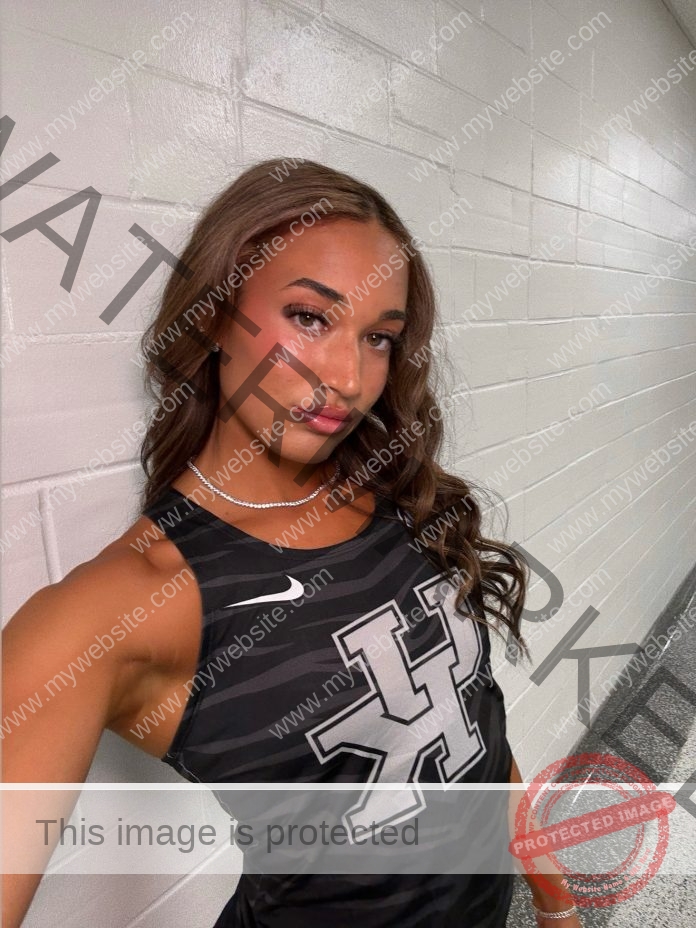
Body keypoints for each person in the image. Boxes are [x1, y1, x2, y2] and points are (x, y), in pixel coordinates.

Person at [3, 160, 581, 927]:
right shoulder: (118, 607)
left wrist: (557, 904)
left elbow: (470, 728)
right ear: (213, 315)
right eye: (311, 317)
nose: (348, 377)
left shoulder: (395, 498)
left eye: (379, 337)